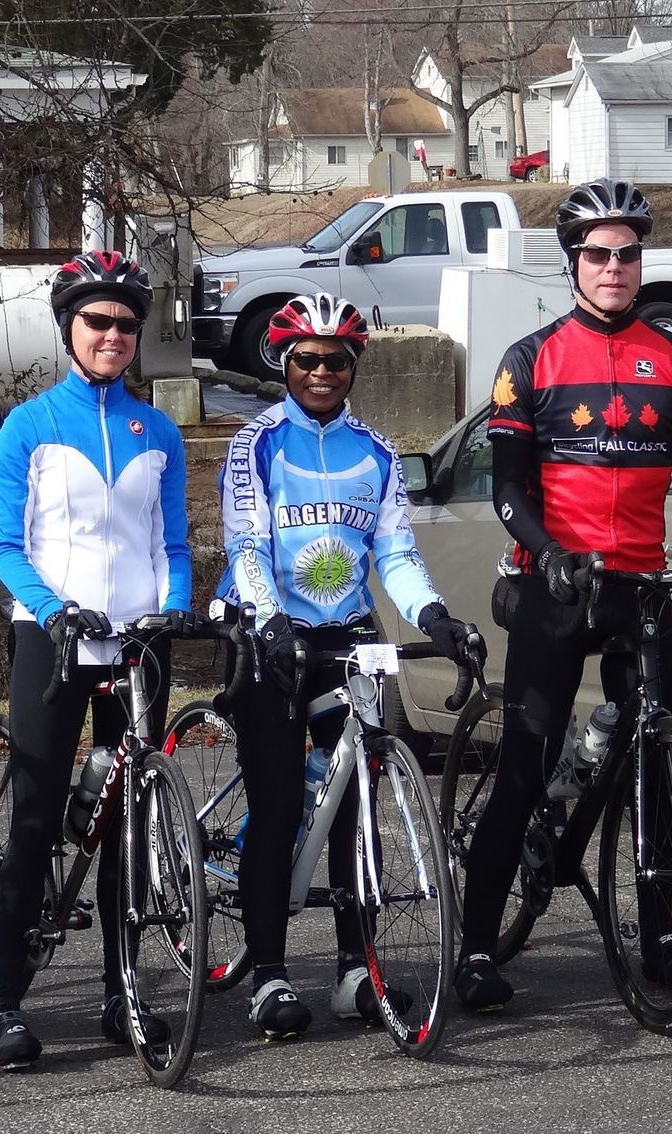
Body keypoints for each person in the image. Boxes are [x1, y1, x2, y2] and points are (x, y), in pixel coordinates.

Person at [454, 178, 672, 1011]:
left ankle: (659, 934)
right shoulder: (531, 359)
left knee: (654, 759)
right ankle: (476, 949)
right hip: (555, 588)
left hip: (640, 587)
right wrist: (548, 554)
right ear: (573, 263)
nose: (615, 267)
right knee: (525, 761)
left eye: (629, 253)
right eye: (598, 254)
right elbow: (509, 487)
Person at [217, 291, 482, 1039]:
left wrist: (435, 616)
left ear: (353, 367)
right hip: (268, 634)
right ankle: (269, 977)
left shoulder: (377, 452)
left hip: (346, 636)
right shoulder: (256, 444)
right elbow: (245, 546)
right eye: (306, 359)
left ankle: (354, 969)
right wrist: (269, 621)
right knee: (277, 806)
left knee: (354, 806)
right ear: (284, 363)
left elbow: (394, 553)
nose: (321, 372)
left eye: (335, 361)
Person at [0, 250, 193, 1070]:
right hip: (54, 634)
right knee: (36, 817)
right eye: (97, 321)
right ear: (69, 327)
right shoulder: (29, 424)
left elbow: (173, 544)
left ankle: (121, 991)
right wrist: (53, 610)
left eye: (126, 324)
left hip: (138, 638)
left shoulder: (159, 430)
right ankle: (4, 1002)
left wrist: (175, 605)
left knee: (130, 824)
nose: (112, 335)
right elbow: (7, 546)